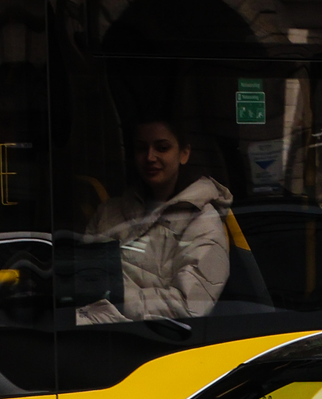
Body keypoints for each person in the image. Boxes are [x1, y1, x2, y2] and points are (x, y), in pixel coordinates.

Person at [79, 119, 234, 323]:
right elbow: (79, 277)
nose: (150, 157)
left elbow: (187, 306)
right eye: (142, 149)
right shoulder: (110, 210)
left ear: (184, 154)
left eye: (162, 148)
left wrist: (113, 296)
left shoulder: (203, 221)